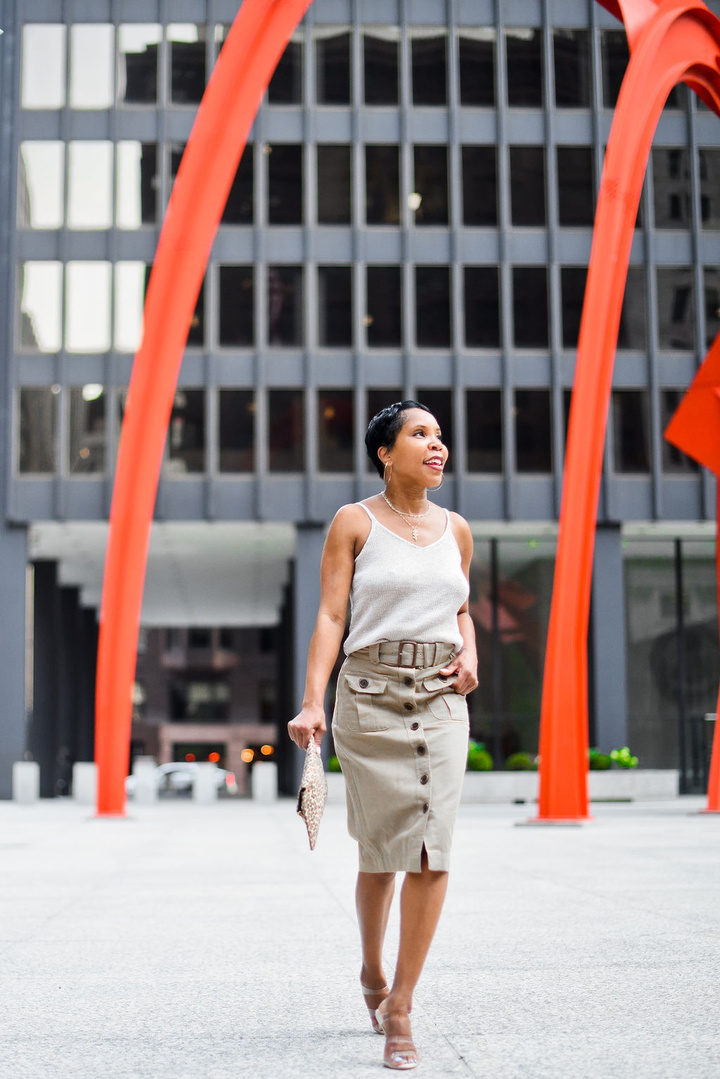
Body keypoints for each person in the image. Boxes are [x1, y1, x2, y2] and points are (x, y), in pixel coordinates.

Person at [288, 401, 478, 1071]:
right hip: (368, 700)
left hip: (442, 699)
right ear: (385, 453)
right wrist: (312, 701)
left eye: (439, 435)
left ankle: (400, 1003)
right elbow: (331, 613)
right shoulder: (354, 522)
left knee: (432, 849)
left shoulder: (457, 528)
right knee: (381, 853)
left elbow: (458, 605)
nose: (437, 445)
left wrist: (471, 650)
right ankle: (371, 968)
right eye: (420, 434)